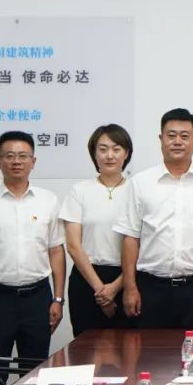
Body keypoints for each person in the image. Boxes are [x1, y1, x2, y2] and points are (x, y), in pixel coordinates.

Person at [115, 108, 193, 329]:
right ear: (161, 139)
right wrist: (130, 287)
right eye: (171, 135)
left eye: (185, 136)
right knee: (150, 350)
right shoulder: (141, 183)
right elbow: (130, 238)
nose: (177, 141)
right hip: (150, 288)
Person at [0, 131, 66, 361]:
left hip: (37, 299)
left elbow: (56, 251)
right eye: (9, 156)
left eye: (22, 156)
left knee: (34, 369)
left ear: (33, 161)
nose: (16, 161)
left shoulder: (48, 201)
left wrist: (58, 299)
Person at [59, 124, 134, 337]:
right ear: (94, 153)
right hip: (87, 279)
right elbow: (73, 246)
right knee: (87, 349)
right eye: (103, 149)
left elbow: (144, 244)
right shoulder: (80, 191)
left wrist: (116, 287)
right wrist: (101, 290)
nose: (109, 155)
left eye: (116, 149)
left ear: (126, 153)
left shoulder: (137, 191)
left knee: (129, 349)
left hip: (127, 279)